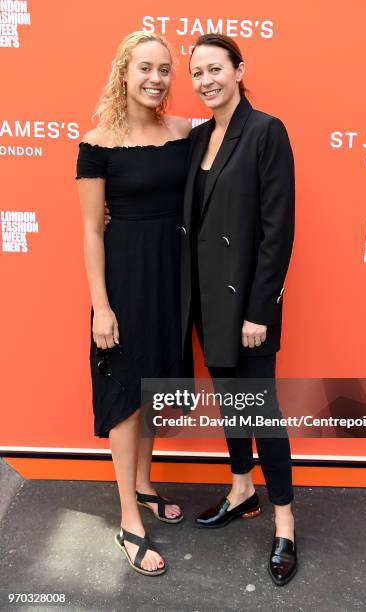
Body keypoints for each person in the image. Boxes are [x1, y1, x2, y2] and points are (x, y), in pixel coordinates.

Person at [180, 34, 297, 586]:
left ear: (238, 70)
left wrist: (260, 310)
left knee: (262, 410)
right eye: (197, 73)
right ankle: (241, 488)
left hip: (247, 308)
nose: (205, 80)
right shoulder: (199, 135)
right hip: (205, 300)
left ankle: (285, 522)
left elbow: (278, 230)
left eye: (214, 69)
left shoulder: (266, 131)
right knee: (232, 403)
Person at [76, 31, 191, 576]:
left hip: (172, 280)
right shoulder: (97, 143)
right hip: (124, 283)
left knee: (158, 387)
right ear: (124, 70)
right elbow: (92, 233)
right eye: (145, 67)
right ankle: (129, 518)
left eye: (165, 69)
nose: (156, 78)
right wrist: (101, 306)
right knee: (125, 394)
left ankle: (145, 485)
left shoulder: (185, 131)